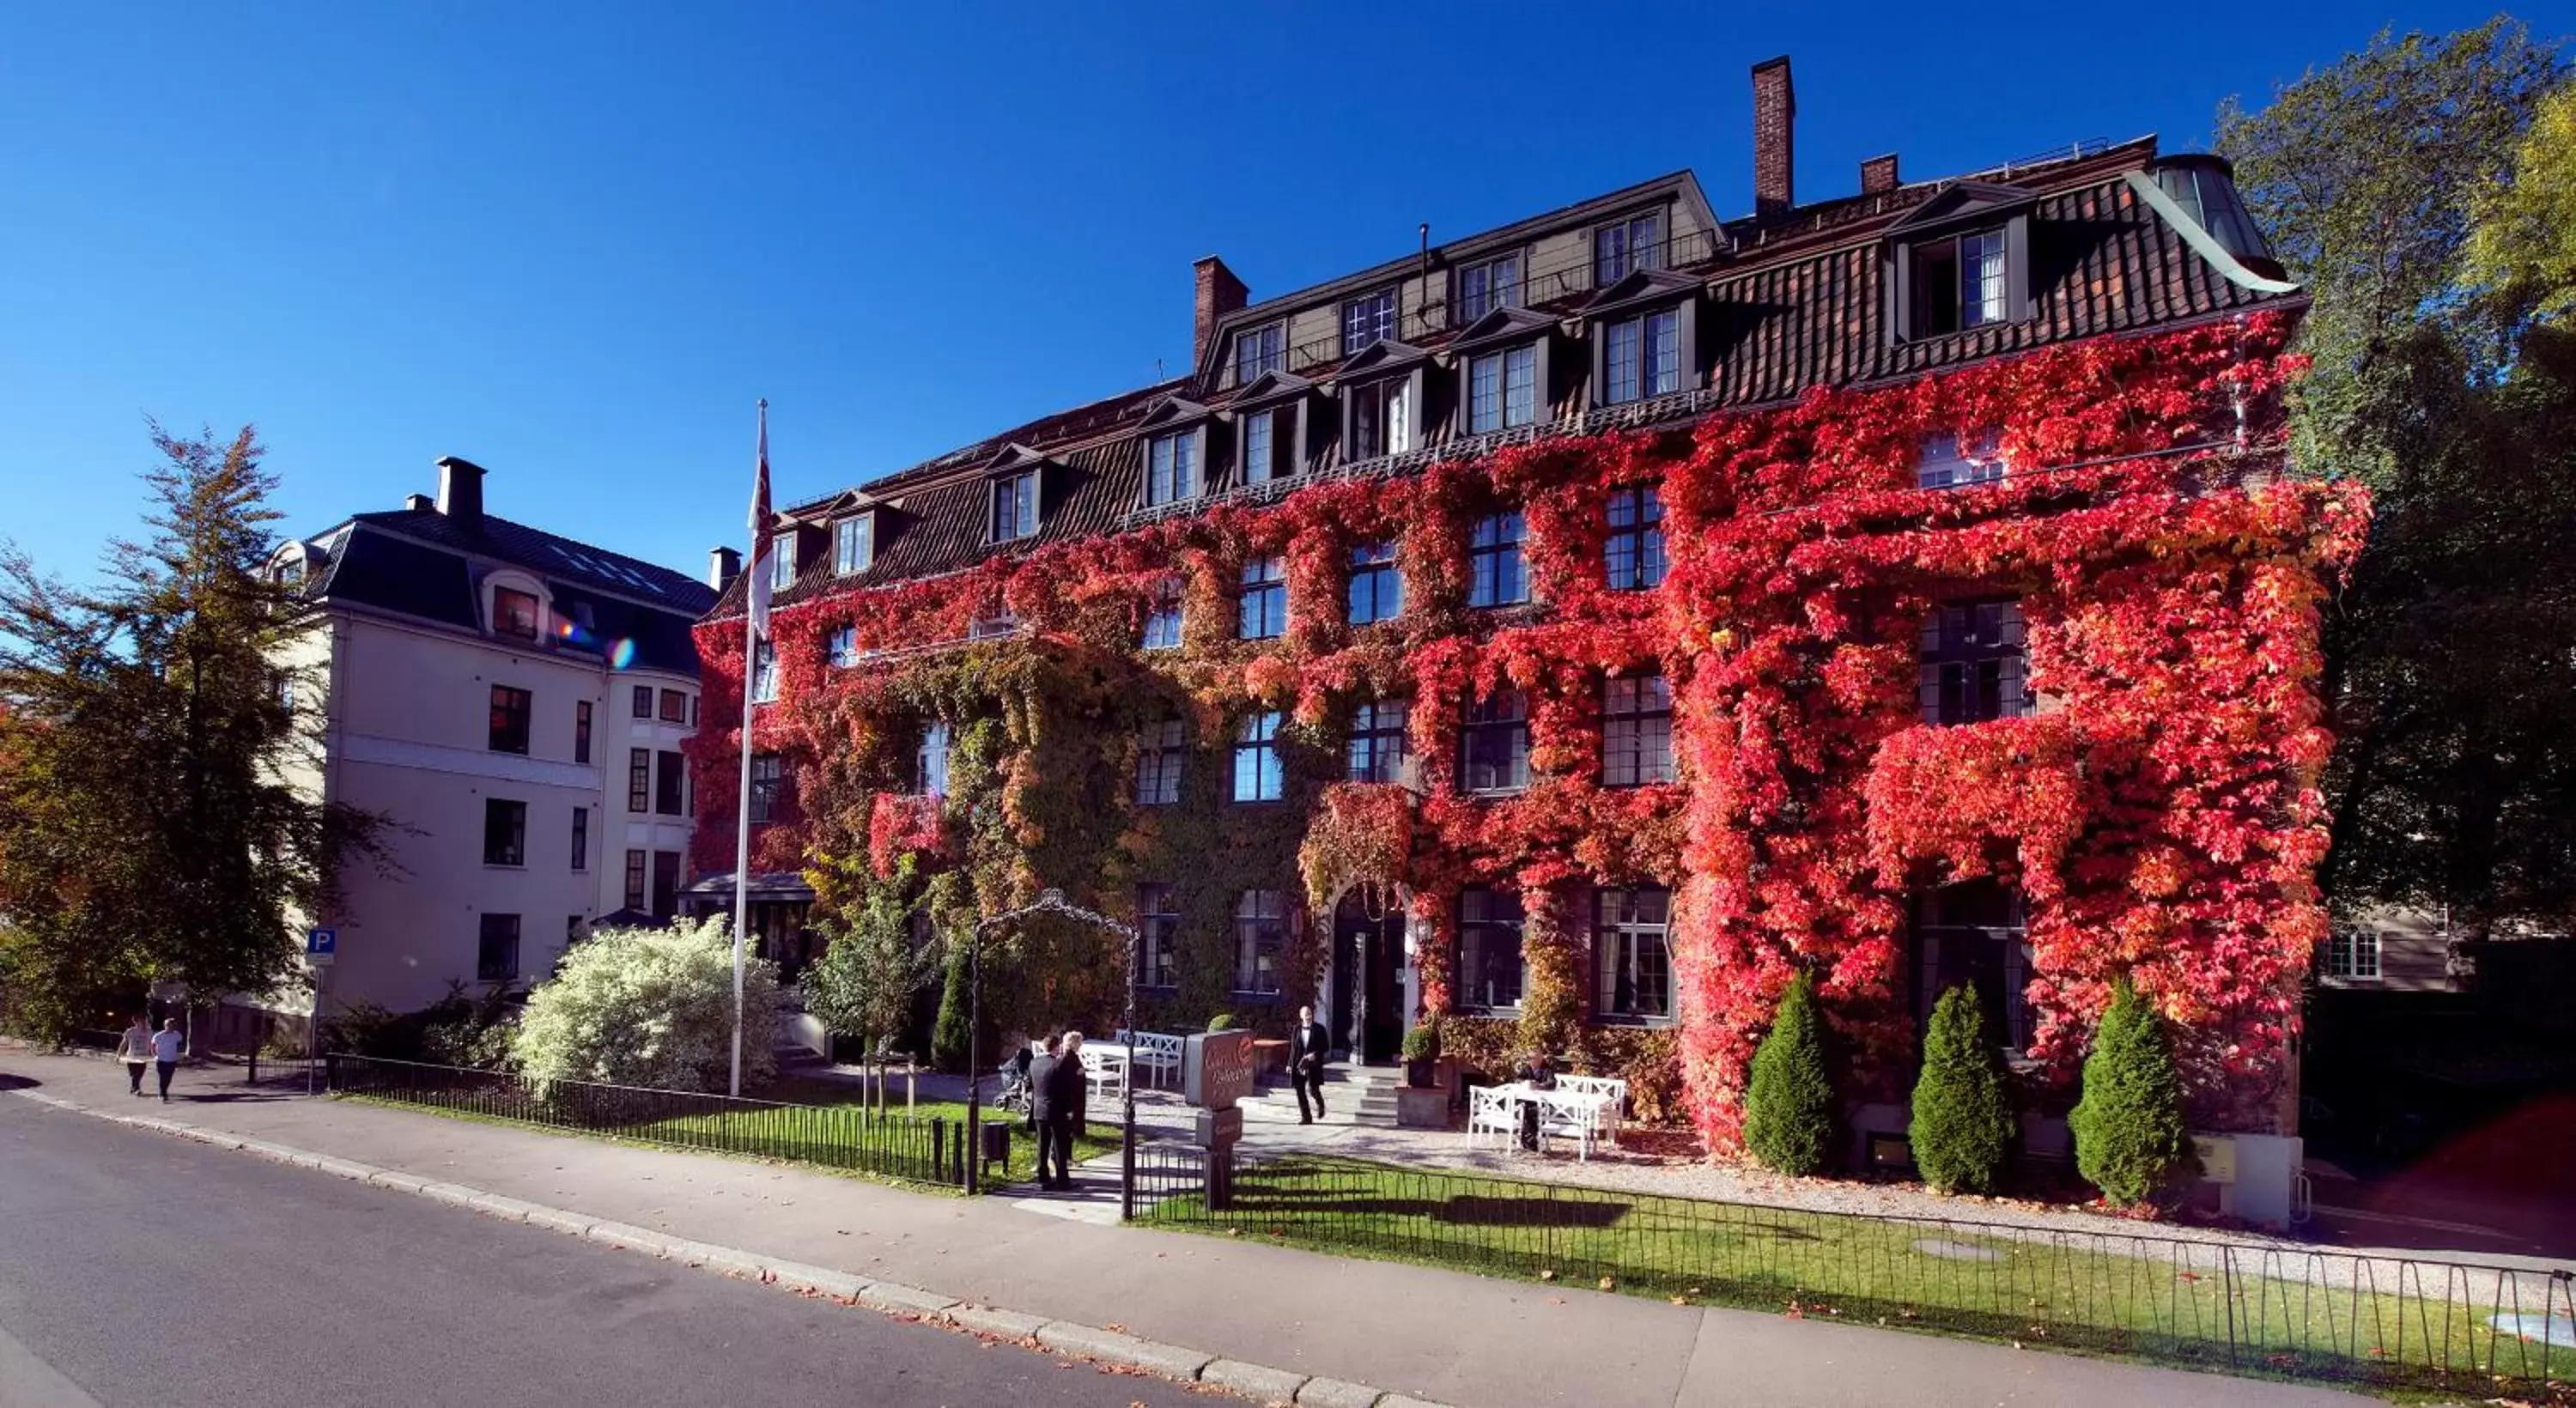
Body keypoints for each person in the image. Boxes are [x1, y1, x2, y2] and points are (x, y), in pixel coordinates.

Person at [1044, 1030, 1088, 1192]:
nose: (1081, 1045)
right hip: (1069, 1104)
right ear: (1074, 1043)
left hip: (1073, 1103)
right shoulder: (1066, 1059)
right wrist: (1079, 1075)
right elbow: (1063, 1082)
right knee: (1064, 1135)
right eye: (1079, 1042)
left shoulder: (1070, 1057)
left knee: (1067, 1134)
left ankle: (1063, 1161)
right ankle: (1058, 1164)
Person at [1027, 1035, 1063, 1186]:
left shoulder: (1034, 1063)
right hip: (1055, 1109)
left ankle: (1043, 1176)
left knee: (1042, 1143)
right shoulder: (1057, 1065)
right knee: (1058, 1144)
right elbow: (1063, 1089)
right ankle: (1062, 1178)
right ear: (1056, 1047)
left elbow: (1030, 1084)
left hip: (1039, 1108)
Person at [1290, 1004, 1331, 1125]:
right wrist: (1289, 1064)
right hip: (1299, 1064)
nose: (1308, 1016)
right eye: (1306, 1014)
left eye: (1310, 1014)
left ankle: (1321, 1104)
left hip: (1314, 1064)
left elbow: (1326, 1047)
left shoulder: (1320, 1029)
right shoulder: (1296, 1029)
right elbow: (1293, 1048)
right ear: (1301, 1016)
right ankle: (1306, 1117)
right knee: (1299, 1090)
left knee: (1313, 1090)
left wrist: (1315, 1055)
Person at [1515, 1049, 1556, 1151]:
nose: (1531, 1061)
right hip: (1526, 1099)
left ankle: (1529, 1141)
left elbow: (1552, 1083)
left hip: (1542, 1101)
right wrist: (1526, 1083)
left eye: (1533, 1058)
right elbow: (1517, 1079)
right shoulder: (1526, 1068)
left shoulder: (1547, 1069)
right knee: (1523, 1111)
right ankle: (1529, 1141)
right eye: (1529, 1058)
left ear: (1540, 1059)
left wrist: (1540, 1086)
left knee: (1533, 1113)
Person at [150, 1017, 186, 1102]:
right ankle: (163, 1093)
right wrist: (155, 1054)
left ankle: (164, 1090)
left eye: (172, 1025)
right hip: (161, 1059)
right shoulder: (159, 1035)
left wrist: (179, 1054)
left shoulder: (177, 1035)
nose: (170, 1027)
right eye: (168, 1025)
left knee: (169, 1077)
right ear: (165, 1026)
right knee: (163, 1077)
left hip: (172, 1059)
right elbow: (153, 1045)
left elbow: (180, 1043)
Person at [115, 1015, 152, 1096]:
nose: (143, 1023)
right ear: (136, 1022)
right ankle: (137, 1089)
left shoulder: (149, 1032)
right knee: (134, 1074)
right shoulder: (130, 1031)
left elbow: (151, 1043)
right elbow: (124, 1044)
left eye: (144, 1021)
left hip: (143, 1056)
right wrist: (118, 1055)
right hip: (132, 1056)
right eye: (141, 1021)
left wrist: (152, 1052)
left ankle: (134, 1087)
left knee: (140, 1073)